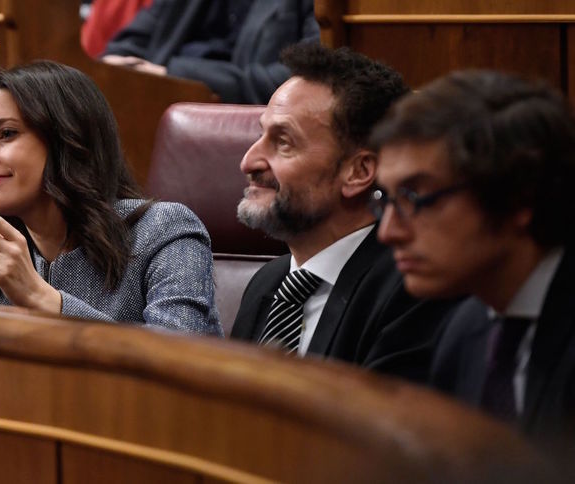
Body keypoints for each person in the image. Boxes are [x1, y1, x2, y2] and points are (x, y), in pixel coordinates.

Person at [0, 60, 222, 336]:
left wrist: (43, 299)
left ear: (67, 140)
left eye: (7, 134)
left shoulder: (164, 230)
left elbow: (178, 360)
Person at [370, 70, 575, 455]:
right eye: (386, 201)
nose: (389, 233)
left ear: (518, 198)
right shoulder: (465, 331)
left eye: (416, 198)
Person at [230, 43, 456, 384]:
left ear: (358, 171)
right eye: (260, 135)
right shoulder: (267, 283)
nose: (249, 161)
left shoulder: (409, 290)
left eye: (284, 142)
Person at [101, 0, 320, 104]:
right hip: (151, 106)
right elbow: (128, 45)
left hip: (241, 120)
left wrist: (173, 74)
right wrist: (113, 67)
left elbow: (310, 75)